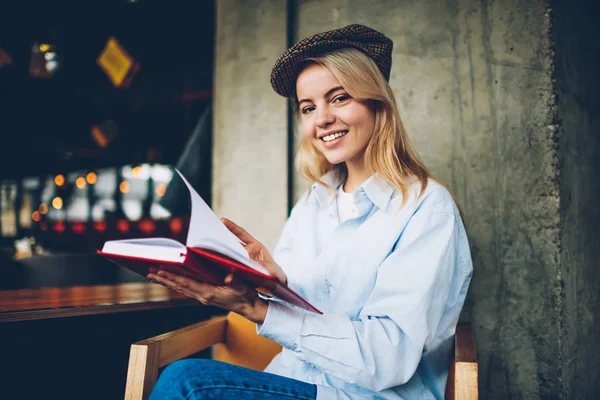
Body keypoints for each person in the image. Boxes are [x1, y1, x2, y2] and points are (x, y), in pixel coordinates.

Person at [148, 24, 473, 400]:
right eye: (308, 107)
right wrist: (270, 280)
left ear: (376, 103)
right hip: (298, 381)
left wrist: (258, 309)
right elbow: (307, 309)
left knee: (187, 382)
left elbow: (388, 359)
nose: (321, 119)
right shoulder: (314, 204)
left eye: (339, 98)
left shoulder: (426, 209)